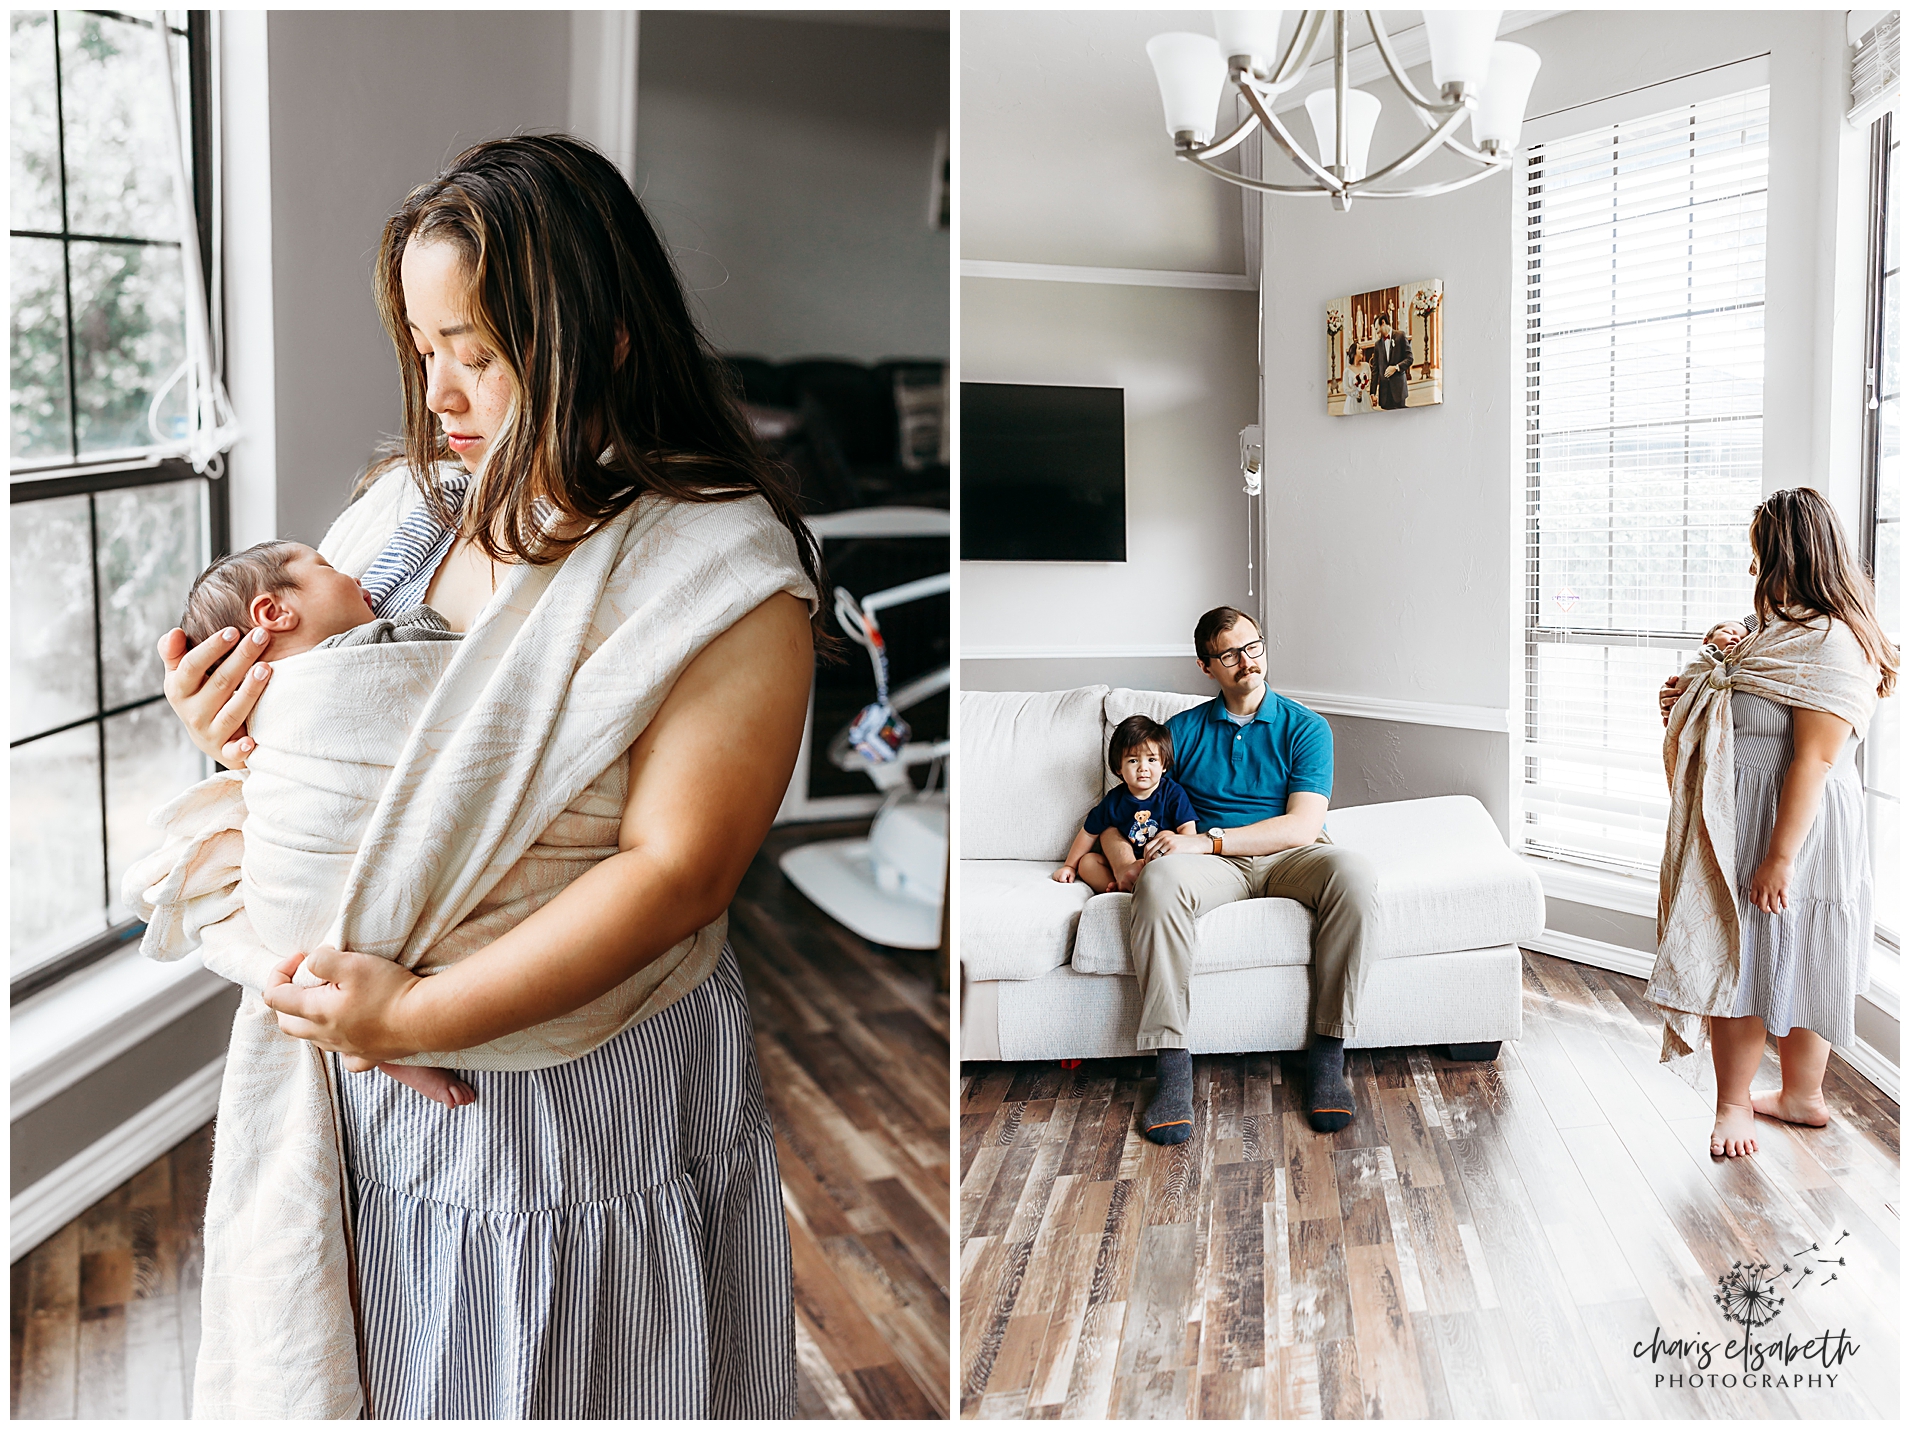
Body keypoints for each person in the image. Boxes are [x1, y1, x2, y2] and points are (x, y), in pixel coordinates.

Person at [154, 135, 821, 1418]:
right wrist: (246, 731)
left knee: (580, 1360)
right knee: (409, 1351)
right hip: (362, 1066)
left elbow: (676, 870)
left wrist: (412, 1019)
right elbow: (349, 758)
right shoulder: (407, 517)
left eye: (478, 348)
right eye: (423, 346)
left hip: (579, 1075)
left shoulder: (715, 578)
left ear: (603, 337)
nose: (442, 388)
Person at [160, 539, 471, 1108]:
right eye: (328, 568)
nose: (356, 578)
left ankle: (385, 1047)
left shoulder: (272, 687)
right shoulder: (364, 645)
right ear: (274, 612)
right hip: (315, 858)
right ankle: (385, 1038)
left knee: (324, 963)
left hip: (288, 923)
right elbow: (449, 656)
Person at [1648, 487, 1896, 1159]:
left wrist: (1780, 858)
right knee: (1757, 949)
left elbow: (1813, 761)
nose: (1752, 567)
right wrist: (1692, 692)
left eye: (1760, 553)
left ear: (1789, 553)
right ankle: (1797, 1098)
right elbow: (1736, 694)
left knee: (1756, 953)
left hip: (1794, 826)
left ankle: (1740, 1105)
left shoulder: (1832, 647)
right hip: (1756, 815)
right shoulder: (1775, 632)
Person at [1123, 606, 1378, 1145]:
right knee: (1159, 881)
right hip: (1214, 867)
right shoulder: (1181, 732)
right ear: (1205, 666)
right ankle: (1172, 1065)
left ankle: (1329, 1057)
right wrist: (1126, 853)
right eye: (1229, 655)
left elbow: (1303, 825)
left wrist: (1208, 839)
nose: (1247, 662)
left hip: (1291, 855)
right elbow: (1134, 801)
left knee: (1353, 873)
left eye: (1253, 647)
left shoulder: (1307, 727)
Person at [1053, 715, 1198, 894]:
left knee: (1168, 835)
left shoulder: (1173, 793)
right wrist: (1069, 866)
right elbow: (1088, 833)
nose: (1143, 768)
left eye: (1151, 760)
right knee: (1087, 862)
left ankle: (1142, 884)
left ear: (1164, 765)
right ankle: (1121, 888)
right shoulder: (1114, 800)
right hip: (1121, 863)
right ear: (1118, 768)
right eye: (1133, 760)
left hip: (1156, 863)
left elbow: (1188, 831)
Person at [1372, 314, 1412, 410]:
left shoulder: (1400, 336)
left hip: (1398, 389)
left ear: (1383, 323)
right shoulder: (1377, 345)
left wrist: (1396, 367)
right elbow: (1375, 370)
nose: (1377, 332)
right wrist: (1372, 393)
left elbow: (1409, 358)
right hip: (1385, 393)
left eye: (1377, 329)